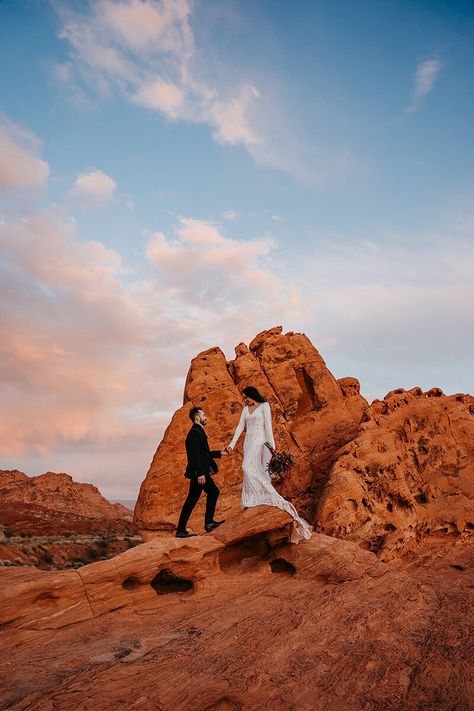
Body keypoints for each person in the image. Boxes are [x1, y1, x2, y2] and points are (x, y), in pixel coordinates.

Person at [226, 386, 312, 543]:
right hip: (248, 442)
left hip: (259, 442)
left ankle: (263, 496)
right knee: (251, 469)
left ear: (253, 395)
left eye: (247, 397)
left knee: (247, 468)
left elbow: (268, 427)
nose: (245, 400)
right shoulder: (245, 410)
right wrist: (232, 444)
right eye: (244, 398)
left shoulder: (264, 406)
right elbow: (240, 427)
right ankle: (254, 499)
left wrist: (272, 448)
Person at [176, 406, 227, 538]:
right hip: (199, 473)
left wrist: (220, 453)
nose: (205, 417)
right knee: (192, 499)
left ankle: (208, 523)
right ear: (197, 417)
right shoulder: (194, 432)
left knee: (213, 492)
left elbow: (204, 453)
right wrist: (199, 473)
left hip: (202, 471)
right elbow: (194, 456)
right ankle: (181, 530)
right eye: (203, 415)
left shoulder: (199, 431)